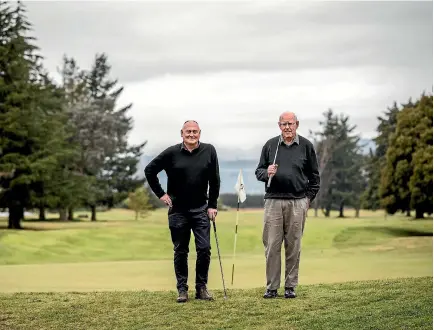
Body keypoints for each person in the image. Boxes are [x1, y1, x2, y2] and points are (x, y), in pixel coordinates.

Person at [144, 120, 220, 303]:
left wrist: (212, 205)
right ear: (182, 133)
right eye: (188, 132)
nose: (191, 134)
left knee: (204, 249)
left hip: (201, 209)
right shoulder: (171, 153)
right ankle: (182, 289)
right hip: (178, 210)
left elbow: (215, 180)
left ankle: (201, 288)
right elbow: (150, 170)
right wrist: (161, 194)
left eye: (195, 131)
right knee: (181, 250)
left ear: (200, 133)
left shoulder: (209, 151)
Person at [255, 111, 320, 299]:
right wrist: (267, 172)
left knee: (294, 245)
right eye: (284, 124)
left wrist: (308, 199)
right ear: (279, 126)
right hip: (273, 201)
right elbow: (258, 172)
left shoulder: (306, 146)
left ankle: (290, 286)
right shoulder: (270, 145)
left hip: (298, 202)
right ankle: (272, 287)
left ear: (297, 124)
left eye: (290, 124)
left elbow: (315, 177)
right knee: (272, 245)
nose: (287, 127)